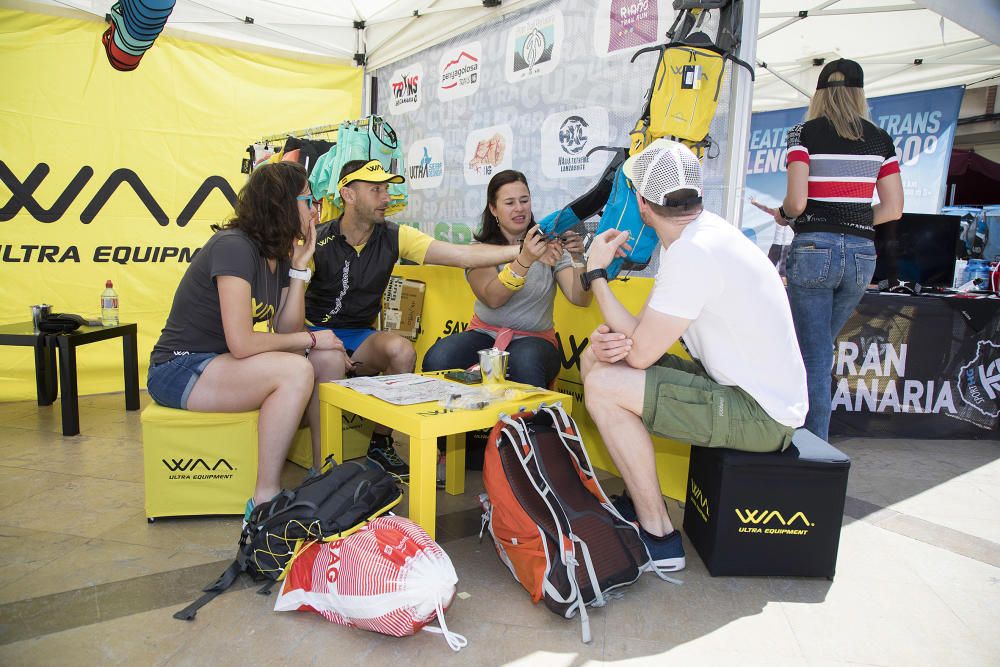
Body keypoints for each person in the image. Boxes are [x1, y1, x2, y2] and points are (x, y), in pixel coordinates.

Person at [581, 139, 808, 573]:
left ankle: (660, 538)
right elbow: (639, 335)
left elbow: (643, 353)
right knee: (597, 363)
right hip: (743, 391)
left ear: (643, 205)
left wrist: (595, 273)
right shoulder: (696, 238)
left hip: (763, 414)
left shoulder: (693, 251)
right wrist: (612, 340)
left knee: (606, 385)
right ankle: (639, 497)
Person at [303, 159, 552, 478]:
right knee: (331, 363)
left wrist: (523, 253)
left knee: (403, 351)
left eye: (387, 189)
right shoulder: (316, 240)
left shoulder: (396, 235)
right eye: (376, 190)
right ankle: (323, 469)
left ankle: (380, 445)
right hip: (314, 335)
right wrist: (314, 339)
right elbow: (289, 307)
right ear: (348, 195)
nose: (386, 198)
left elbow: (462, 255)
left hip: (359, 336)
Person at [147, 162, 341, 522]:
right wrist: (313, 337)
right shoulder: (234, 247)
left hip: (220, 364)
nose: (316, 210)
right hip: (180, 367)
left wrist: (300, 268)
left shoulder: (279, 255)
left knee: (325, 361)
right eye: (309, 200)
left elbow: (285, 329)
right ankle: (264, 498)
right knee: (298, 369)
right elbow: (241, 342)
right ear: (282, 203)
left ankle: (321, 471)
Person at [752, 58, 904, 440]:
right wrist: (850, 218)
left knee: (813, 355)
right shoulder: (880, 139)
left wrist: (785, 216)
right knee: (818, 349)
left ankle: (810, 444)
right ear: (860, 93)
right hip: (861, 254)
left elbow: (798, 204)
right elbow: (893, 208)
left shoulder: (802, 134)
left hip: (815, 248)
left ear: (819, 93)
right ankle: (805, 438)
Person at [421, 169, 592, 388]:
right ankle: (459, 421)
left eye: (524, 200)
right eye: (509, 203)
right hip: (484, 334)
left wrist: (578, 259)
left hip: (536, 339)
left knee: (524, 362)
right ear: (493, 208)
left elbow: (581, 299)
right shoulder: (480, 250)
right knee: (439, 358)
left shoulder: (549, 243)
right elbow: (493, 298)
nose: (519, 208)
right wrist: (525, 259)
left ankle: (530, 423)